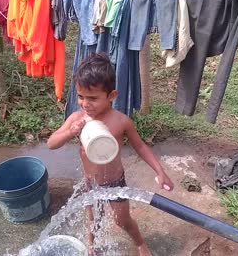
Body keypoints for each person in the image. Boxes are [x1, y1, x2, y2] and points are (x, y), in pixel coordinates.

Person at [47, 53, 174, 256]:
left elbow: (140, 147)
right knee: (93, 217)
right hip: (89, 181)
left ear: (111, 96)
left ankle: (140, 243)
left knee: (122, 220)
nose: (86, 103)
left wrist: (160, 171)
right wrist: (71, 131)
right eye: (81, 96)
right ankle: (92, 245)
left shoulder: (121, 121)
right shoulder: (76, 118)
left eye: (93, 98)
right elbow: (52, 143)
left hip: (115, 181)